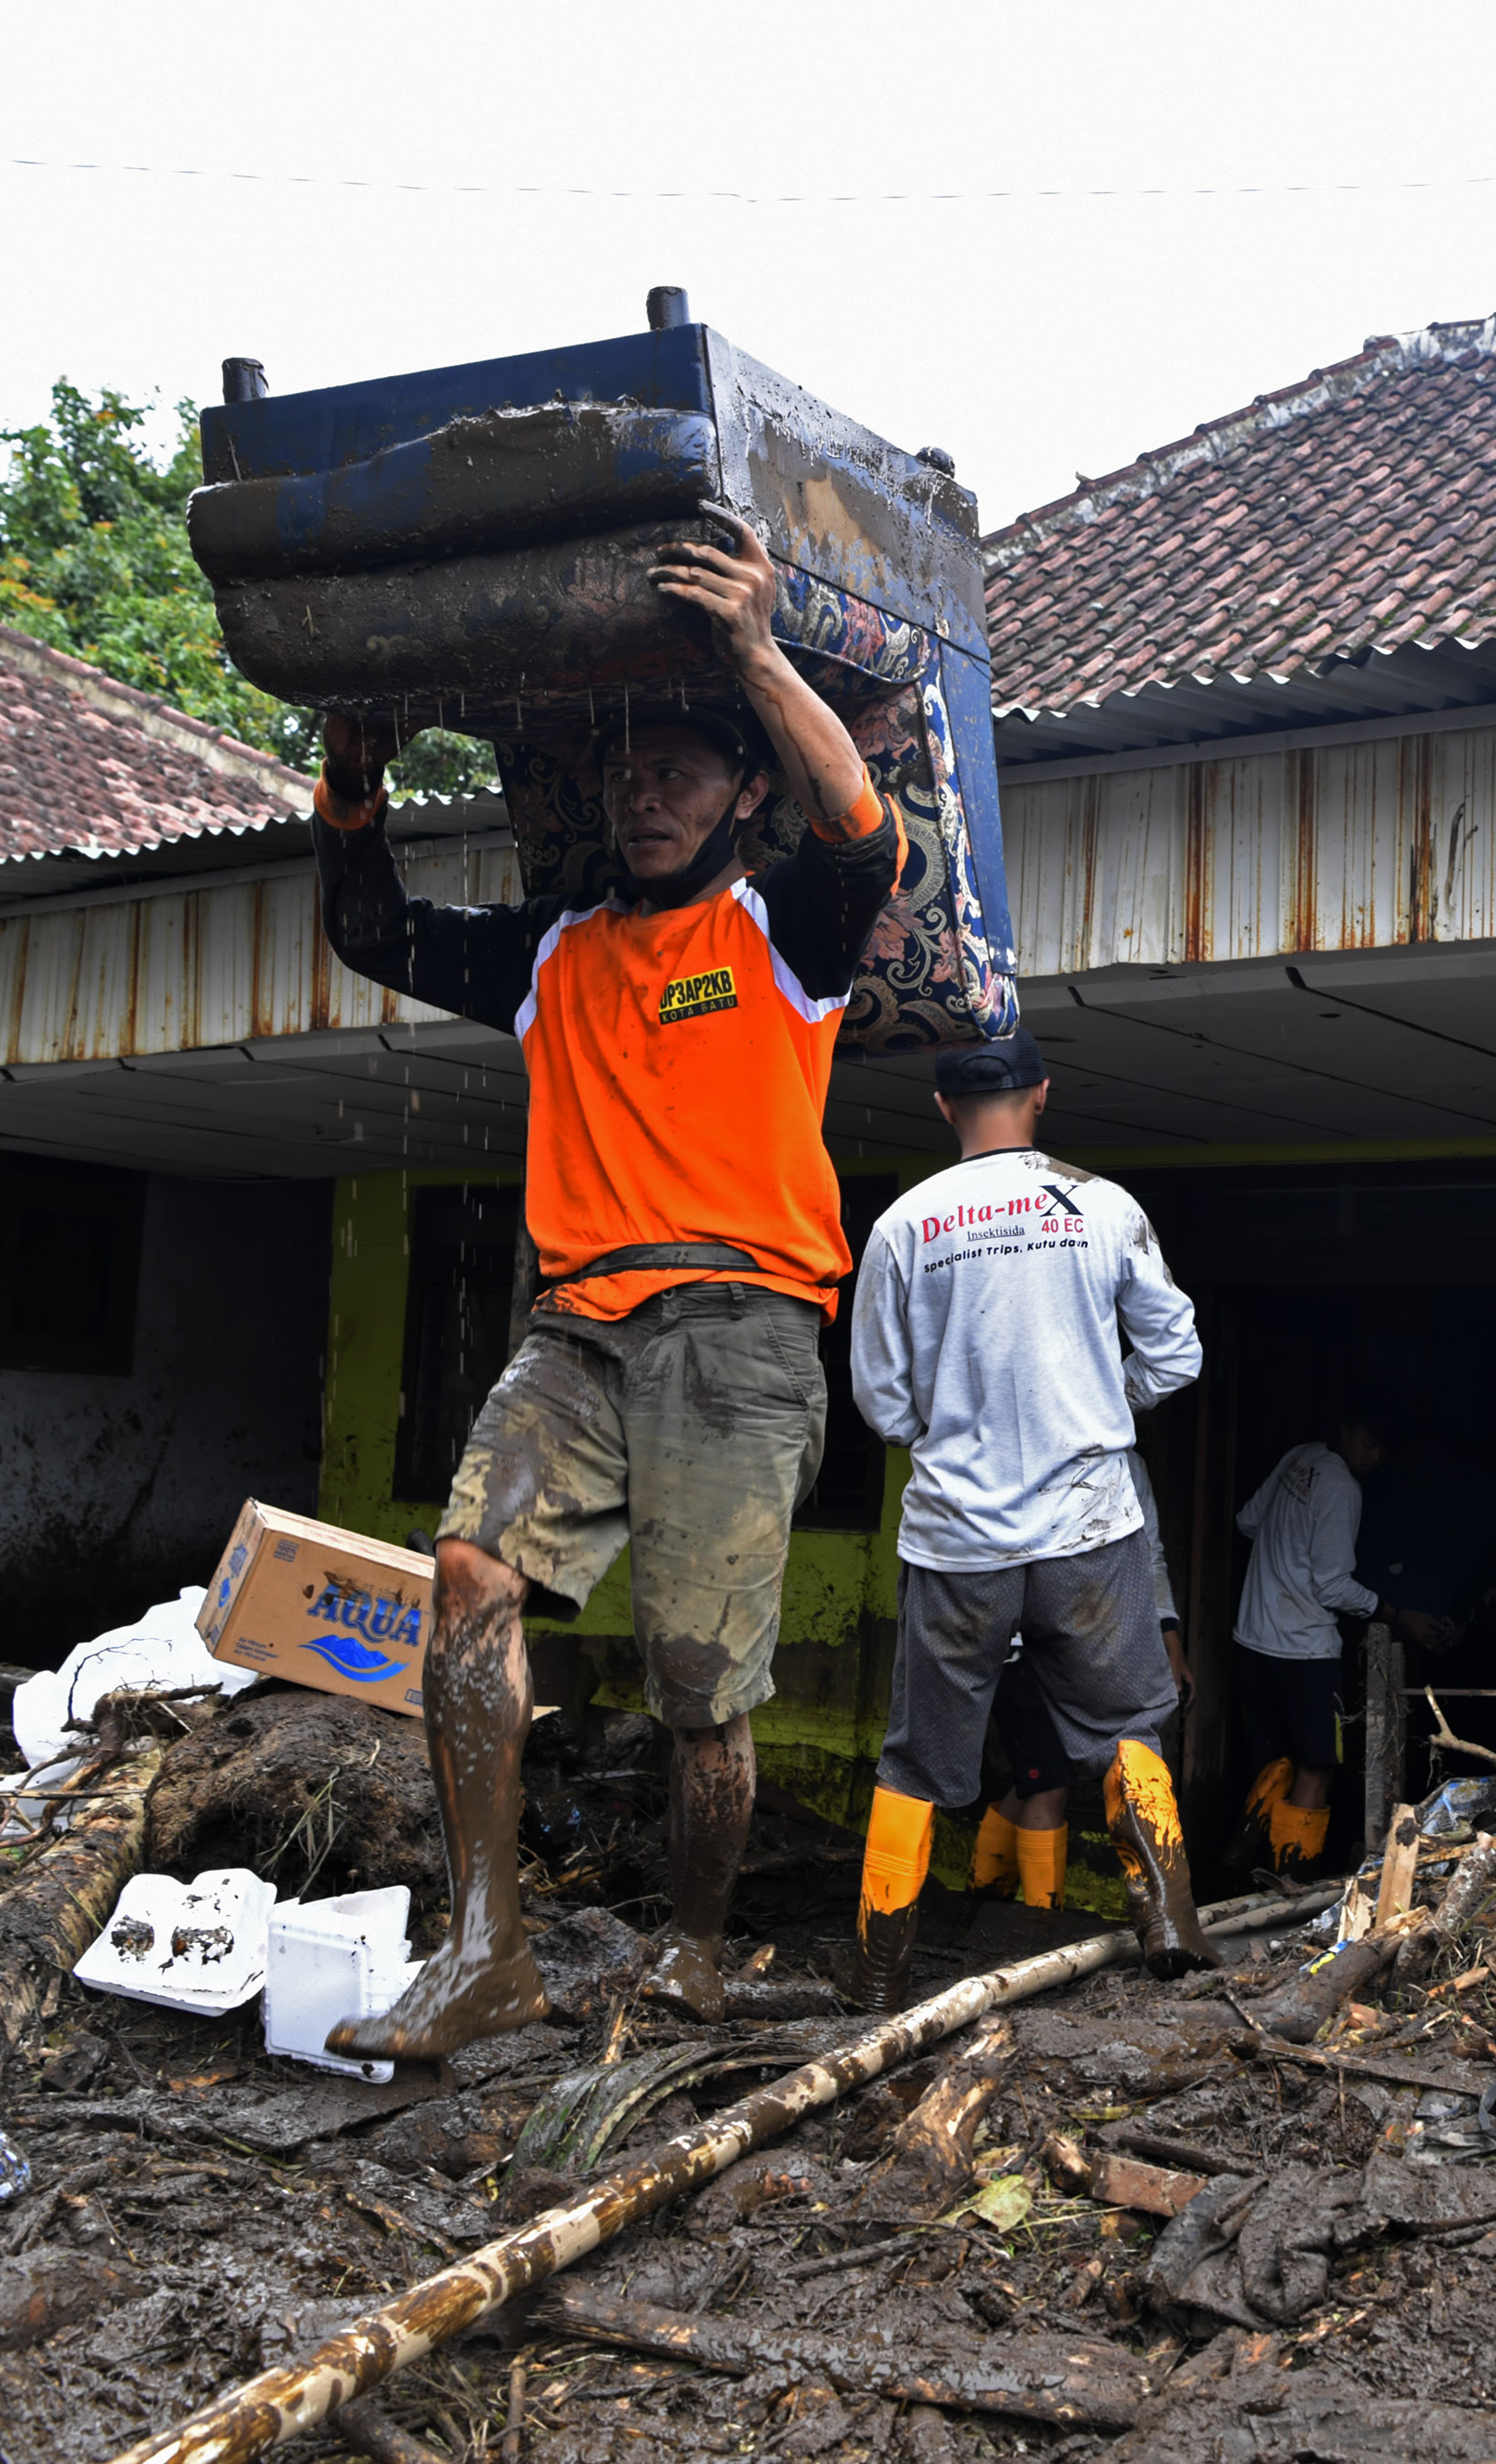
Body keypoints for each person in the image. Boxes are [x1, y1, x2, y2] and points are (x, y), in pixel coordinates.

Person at [309, 520, 902, 2057]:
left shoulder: (783, 929)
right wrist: (353, 780)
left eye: (685, 775)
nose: (649, 797)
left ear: (742, 793)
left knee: (700, 1691)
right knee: (467, 1572)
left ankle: (699, 1950)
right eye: (635, 777)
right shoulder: (552, 950)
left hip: (744, 1327)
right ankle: (484, 1947)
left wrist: (759, 650)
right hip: (579, 1322)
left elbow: (861, 835)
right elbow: (369, 928)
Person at [845, 1032, 1210, 2009]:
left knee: (918, 1755)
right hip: (1090, 1527)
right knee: (1130, 1722)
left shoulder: (903, 1226)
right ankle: (1170, 1925)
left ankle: (879, 1973)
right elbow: (1176, 1357)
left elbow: (881, 1404)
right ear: (1041, 1094)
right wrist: (1093, 1403)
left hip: (958, 1535)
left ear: (939, 1107)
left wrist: (959, 1427)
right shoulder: (1100, 1205)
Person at [1231, 1403, 1447, 1874]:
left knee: (1273, 1763)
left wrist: (1283, 1552)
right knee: (1319, 1764)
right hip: (1305, 1648)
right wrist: (1395, 1614)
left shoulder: (1299, 1457)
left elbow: (1248, 1521)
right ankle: (1292, 1876)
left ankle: (1247, 1867)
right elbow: (1332, 1585)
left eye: (1382, 1449)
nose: (1374, 1457)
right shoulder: (1342, 1488)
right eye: (1367, 1444)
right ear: (1345, 1432)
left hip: (1253, 1636)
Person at [969, 1451, 1188, 1909]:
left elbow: (1150, 1553)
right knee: (1048, 1781)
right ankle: (1037, 1923)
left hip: (1085, 1649)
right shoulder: (1032, 1444)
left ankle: (984, 1892)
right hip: (1020, 1640)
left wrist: (1168, 1634)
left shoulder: (1129, 1463)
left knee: (1043, 1773)